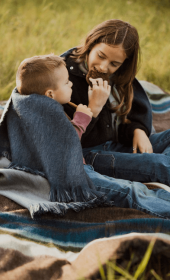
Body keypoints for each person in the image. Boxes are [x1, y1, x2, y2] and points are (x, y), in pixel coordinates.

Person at [15, 54, 170, 219]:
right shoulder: (40, 117)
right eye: (67, 83)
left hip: (80, 166)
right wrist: (82, 119)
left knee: (133, 188)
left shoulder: (50, 106)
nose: (71, 84)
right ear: (50, 94)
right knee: (129, 191)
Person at [61, 19, 170, 186]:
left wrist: (138, 130)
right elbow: (66, 141)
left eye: (114, 64)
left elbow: (132, 113)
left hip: (117, 144)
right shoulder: (63, 79)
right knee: (160, 166)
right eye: (101, 56)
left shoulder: (119, 77)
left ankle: (149, 170)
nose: (104, 67)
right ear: (91, 44)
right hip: (89, 154)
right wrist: (94, 107)